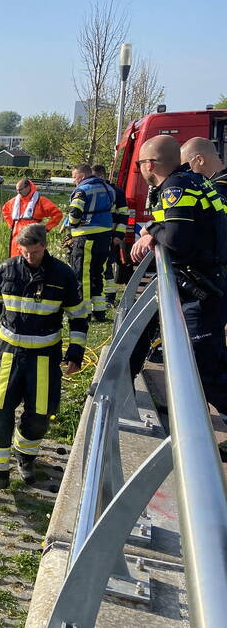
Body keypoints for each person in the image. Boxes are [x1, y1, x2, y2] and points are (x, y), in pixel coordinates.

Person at [0, 223, 88, 495]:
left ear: (45, 246)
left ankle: (25, 458)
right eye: (24, 252)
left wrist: (75, 353)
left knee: (38, 416)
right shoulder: (7, 270)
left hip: (44, 358)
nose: (29, 257)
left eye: (35, 252)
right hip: (9, 356)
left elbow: (78, 317)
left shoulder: (63, 275)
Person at [130, 135, 227, 439]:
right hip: (208, 285)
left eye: (139, 164)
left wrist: (151, 232)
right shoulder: (193, 181)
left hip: (203, 291)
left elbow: (177, 239)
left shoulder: (175, 187)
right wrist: (153, 229)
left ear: (149, 164)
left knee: (206, 366)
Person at [66, 163, 118, 321]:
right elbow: (113, 210)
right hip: (104, 236)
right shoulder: (109, 188)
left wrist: (72, 224)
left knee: (83, 275)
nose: (74, 181)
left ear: (81, 176)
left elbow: (74, 214)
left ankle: (84, 312)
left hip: (86, 237)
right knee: (98, 273)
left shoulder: (82, 190)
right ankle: (100, 311)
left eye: (74, 177)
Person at [92, 164, 131, 307]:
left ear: (102, 176)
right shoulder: (91, 191)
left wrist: (119, 235)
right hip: (94, 236)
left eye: (94, 177)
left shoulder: (116, 192)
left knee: (108, 268)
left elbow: (123, 214)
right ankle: (96, 296)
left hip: (110, 236)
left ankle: (109, 298)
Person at [1, 178, 63, 257]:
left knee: (31, 260)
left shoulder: (41, 201)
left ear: (28, 187)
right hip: (15, 238)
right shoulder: (14, 201)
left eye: (20, 190)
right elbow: (5, 210)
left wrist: (46, 228)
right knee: (15, 263)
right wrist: (10, 224)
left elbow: (58, 214)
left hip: (32, 236)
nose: (18, 192)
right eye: (17, 190)